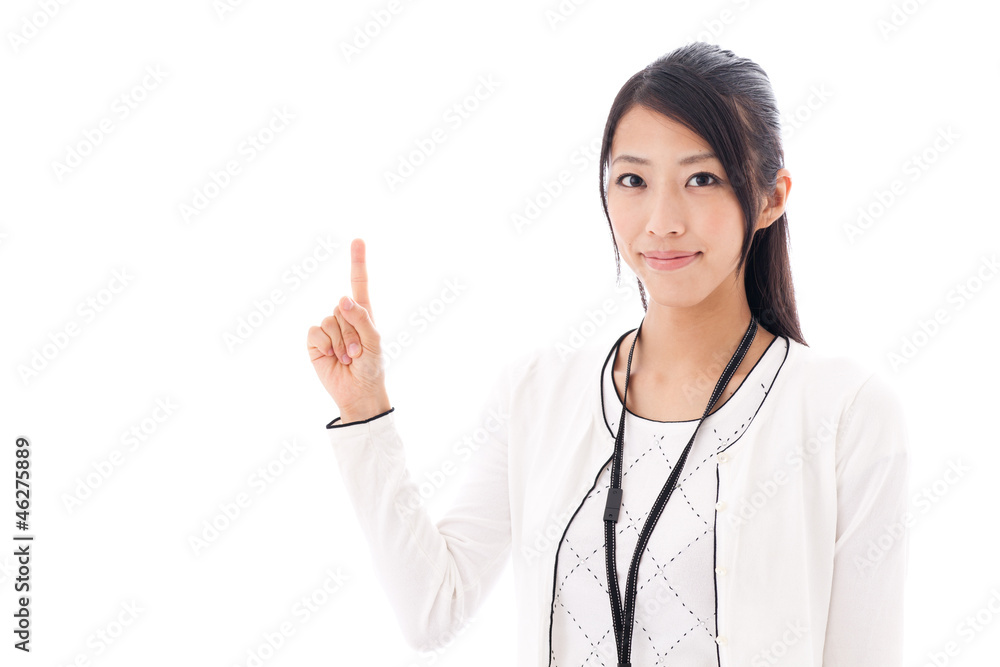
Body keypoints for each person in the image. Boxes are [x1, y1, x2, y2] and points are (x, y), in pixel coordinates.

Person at [306, 41, 910, 667]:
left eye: (701, 179)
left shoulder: (844, 412)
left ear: (771, 197)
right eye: (633, 180)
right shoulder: (539, 393)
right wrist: (363, 410)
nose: (662, 219)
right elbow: (432, 610)